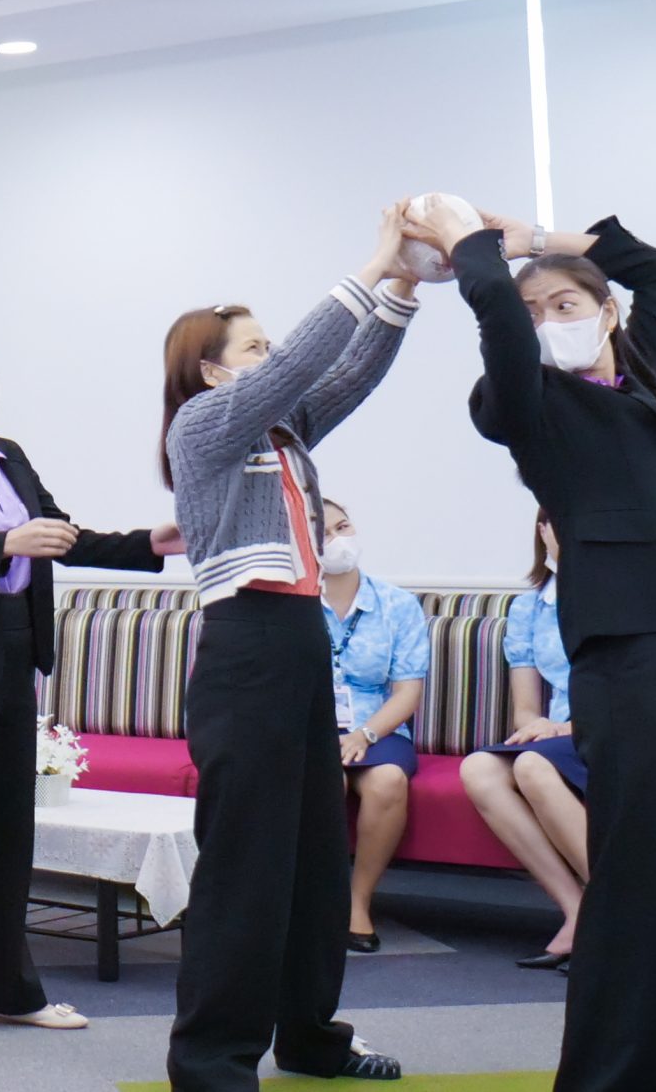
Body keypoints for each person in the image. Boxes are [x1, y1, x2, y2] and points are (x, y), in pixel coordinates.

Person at [405, 204, 656, 1092]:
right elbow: (496, 315)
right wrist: (473, 247)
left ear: (606, 313)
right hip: (631, 658)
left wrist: (539, 240)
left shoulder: (642, 376)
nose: (548, 322)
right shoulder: (529, 403)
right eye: (534, 313)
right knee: (640, 888)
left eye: (565, 305)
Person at [159, 203, 417, 1089]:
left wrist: (404, 287)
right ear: (211, 370)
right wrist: (373, 262)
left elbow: (349, 373)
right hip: (247, 649)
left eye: (268, 344)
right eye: (254, 347)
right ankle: (211, 1064)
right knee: (245, 867)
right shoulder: (203, 425)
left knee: (314, 860)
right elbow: (305, 361)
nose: (271, 356)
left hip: (301, 643)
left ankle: (309, 1038)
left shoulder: (282, 432)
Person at [0, 330, 175, 1064]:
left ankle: (7, 991)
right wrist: (4, 546)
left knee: (13, 831)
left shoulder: (9, 455)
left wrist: (148, 543)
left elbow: (60, 536)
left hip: (16, 657)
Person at [459, 510, 585, 973]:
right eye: (558, 521)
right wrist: (542, 725)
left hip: (615, 731)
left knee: (532, 765)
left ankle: (621, 904)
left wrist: (566, 728)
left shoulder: (626, 597)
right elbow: (526, 710)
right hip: (558, 736)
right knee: (479, 767)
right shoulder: (530, 608)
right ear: (543, 530)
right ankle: (578, 909)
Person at [316, 498, 430, 954]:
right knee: (326, 779)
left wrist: (363, 735)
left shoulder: (397, 605)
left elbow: (407, 692)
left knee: (387, 781)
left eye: (342, 527)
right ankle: (314, 901)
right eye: (323, 533)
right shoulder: (291, 604)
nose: (337, 540)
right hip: (310, 727)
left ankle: (357, 903)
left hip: (378, 729)